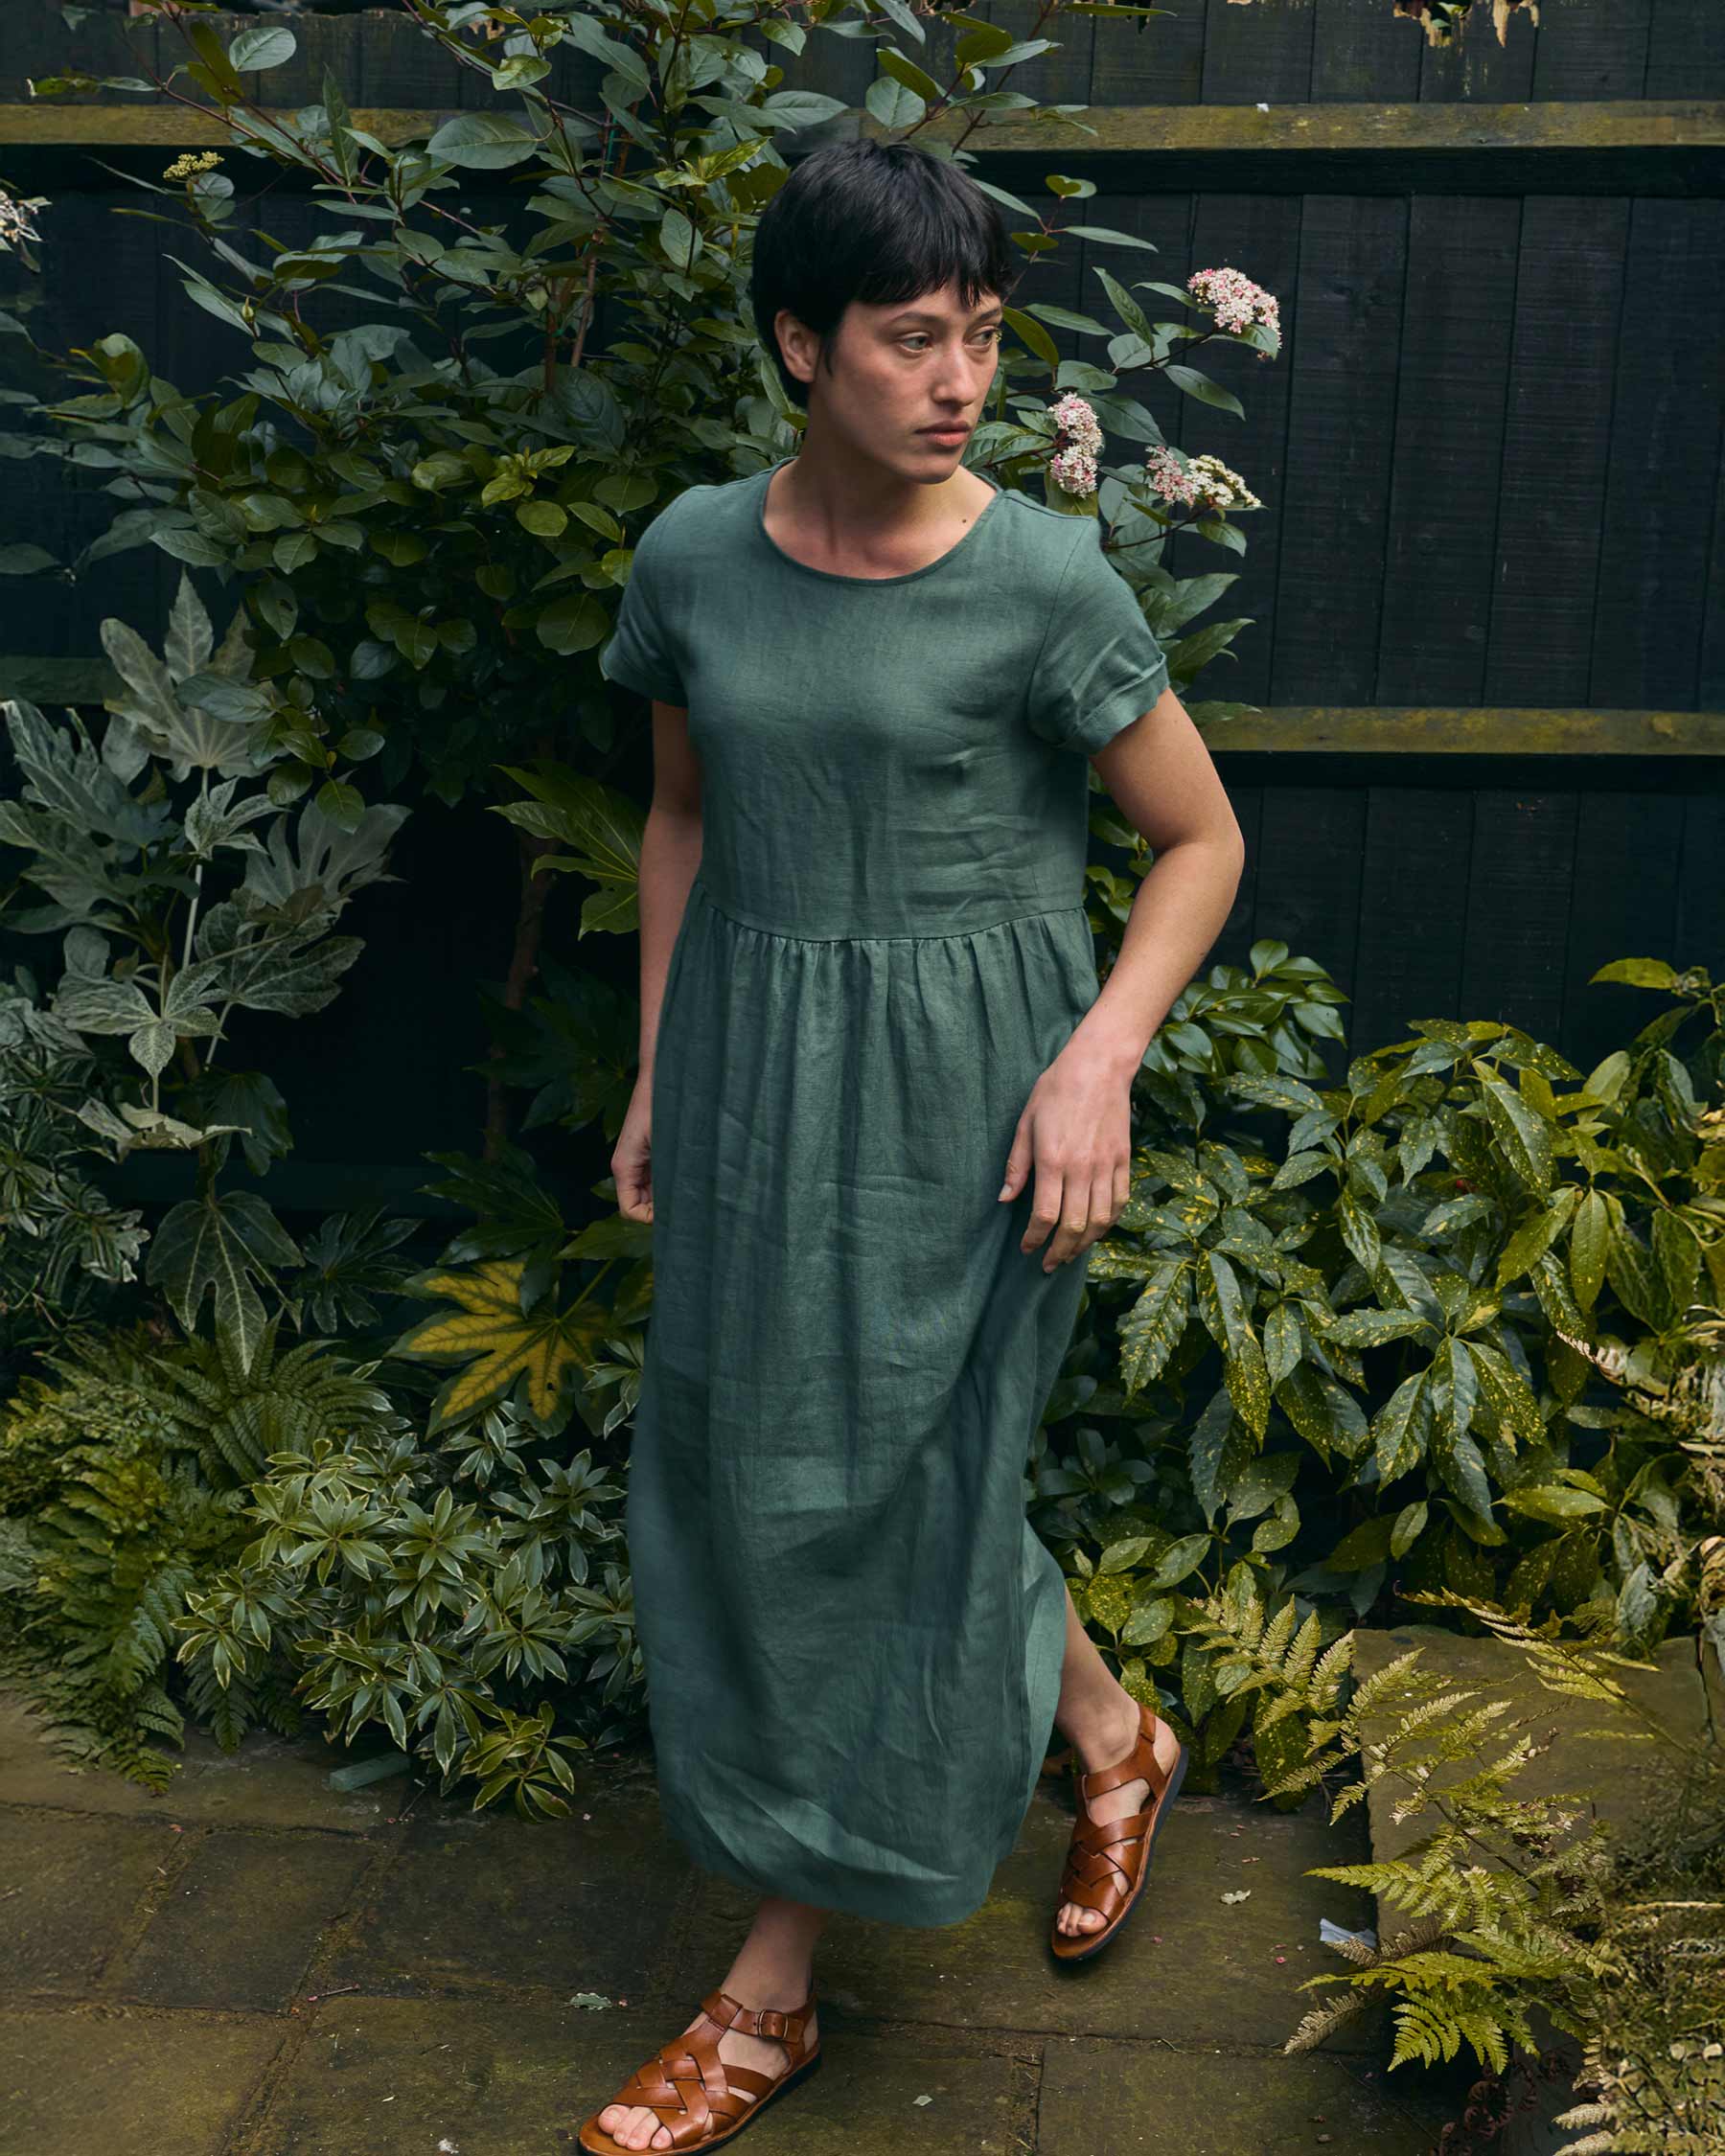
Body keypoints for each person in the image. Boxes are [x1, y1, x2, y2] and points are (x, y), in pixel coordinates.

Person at [579, 138, 1247, 2155]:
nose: (960, 381)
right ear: (802, 344)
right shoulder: (694, 557)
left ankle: (771, 1991)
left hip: (984, 1116)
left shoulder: (1044, 581)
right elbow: (683, 817)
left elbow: (1200, 843)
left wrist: (1098, 1061)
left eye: (981, 336)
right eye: (909, 339)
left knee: (894, 1497)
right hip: (754, 1076)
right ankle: (1114, 1740)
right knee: (769, 1474)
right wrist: (656, 1067)